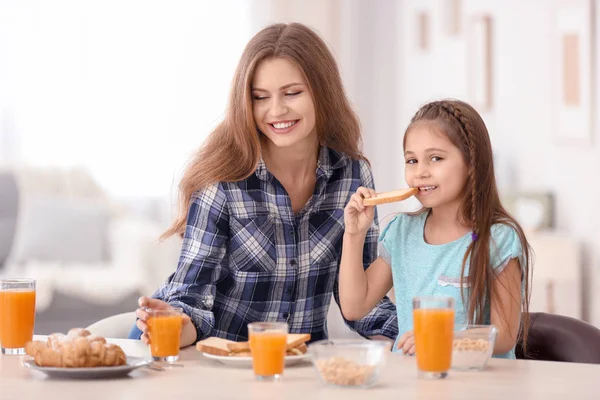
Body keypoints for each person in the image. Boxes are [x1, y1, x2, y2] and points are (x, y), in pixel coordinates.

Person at [129, 22, 398, 347]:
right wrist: (171, 325)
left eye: (292, 93)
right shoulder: (222, 183)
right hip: (217, 364)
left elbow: (361, 297)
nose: (276, 110)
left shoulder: (352, 178)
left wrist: (410, 333)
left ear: (322, 92)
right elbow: (192, 301)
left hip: (296, 370)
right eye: (260, 97)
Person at [339, 99, 532, 358]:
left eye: (435, 158)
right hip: (412, 380)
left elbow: (505, 335)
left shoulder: (498, 238)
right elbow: (354, 306)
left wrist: (441, 339)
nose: (420, 172)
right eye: (412, 160)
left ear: (472, 163)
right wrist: (354, 233)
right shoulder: (401, 232)